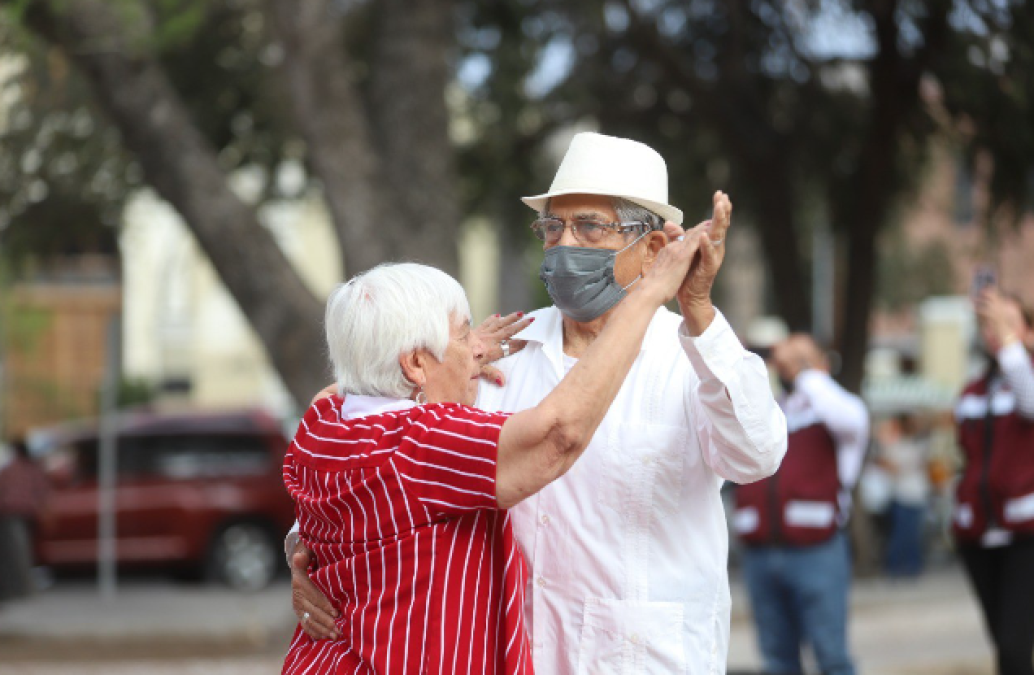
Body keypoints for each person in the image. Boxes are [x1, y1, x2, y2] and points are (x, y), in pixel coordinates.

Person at [291, 131, 788, 673]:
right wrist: (307, 552)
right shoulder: (504, 350)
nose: (563, 244)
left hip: (646, 659)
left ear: (651, 251)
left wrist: (699, 312)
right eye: (552, 228)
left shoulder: (692, 354)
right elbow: (369, 422)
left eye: (588, 226)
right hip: (519, 655)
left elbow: (756, 455)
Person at [282, 248, 699, 673]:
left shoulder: (324, 422)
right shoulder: (424, 440)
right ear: (416, 363)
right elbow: (560, 433)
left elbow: (337, 390)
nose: (477, 349)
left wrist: (451, 353)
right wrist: (647, 296)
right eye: (464, 336)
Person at [733, 334, 869, 675]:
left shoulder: (834, 409)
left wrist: (806, 372)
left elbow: (854, 420)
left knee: (832, 657)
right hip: (761, 552)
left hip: (817, 550)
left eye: (802, 356)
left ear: (822, 365)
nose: (789, 363)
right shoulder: (770, 409)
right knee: (777, 662)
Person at [953, 288, 1034, 675]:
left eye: (1007, 322)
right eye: (988, 324)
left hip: (1026, 533)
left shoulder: (1025, 375)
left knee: (1015, 648)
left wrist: (1010, 343)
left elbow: (1030, 403)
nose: (996, 332)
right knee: (1005, 644)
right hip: (980, 534)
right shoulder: (975, 389)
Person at [877, 413, 930, 577]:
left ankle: (912, 567)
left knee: (913, 535)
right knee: (900, 535)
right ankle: (895, 568)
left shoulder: (918, 445)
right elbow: (887, 465)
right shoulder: (896, 445)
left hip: (917, 496)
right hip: (902, 496)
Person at [0, 439, 50, 602]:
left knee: (15, 553)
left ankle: (20, 588)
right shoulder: (32, 469)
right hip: (21, 515)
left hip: (11, 514)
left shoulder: (10, 470)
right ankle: (23, 588)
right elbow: (43, 493)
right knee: (20, 553)